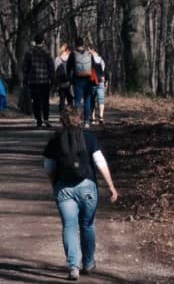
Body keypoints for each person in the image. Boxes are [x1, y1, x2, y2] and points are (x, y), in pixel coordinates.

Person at [42, 105, 120, 280]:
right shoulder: (89, 137)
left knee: (69, 226)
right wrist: (111, 186)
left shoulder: (55, 139)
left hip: (64, 189)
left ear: (62, 120)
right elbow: (100, 162)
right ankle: (89, 262)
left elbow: (48, 167)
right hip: (87, 186)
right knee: (87, 225)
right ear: (79, 118)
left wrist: (55, 184)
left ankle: (73, 267)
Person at [23, 35, 57, 128]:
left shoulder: (29, 52)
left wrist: (25, 79)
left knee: (36, 101)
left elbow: (25, 67)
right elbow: (51, 67)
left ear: (35, 41)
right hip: (45, 80)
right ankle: (46, 119)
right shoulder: (46, 52)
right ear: (43, 42)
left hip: (33, 80)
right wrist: (53, 79)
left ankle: (38, 120)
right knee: (45, 101)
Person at [69, 41, 104, 126]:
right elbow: (93, 67)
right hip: (88, 80)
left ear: (76, 45)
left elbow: (69, 68)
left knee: (77, 101)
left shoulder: (73, 54)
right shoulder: (89, 54)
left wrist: (70, 79)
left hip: (77, 80)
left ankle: (76, 121)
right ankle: (86, 121)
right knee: (87, 101)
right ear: (83, 45)